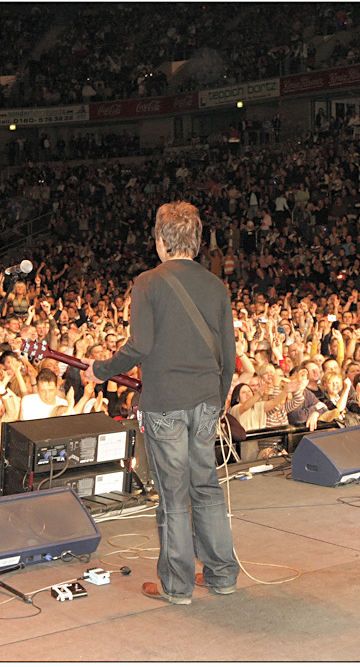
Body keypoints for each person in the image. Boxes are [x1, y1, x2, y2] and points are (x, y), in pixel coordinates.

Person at [84, 200, 239, 605]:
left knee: (174, 496)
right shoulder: (216, 284)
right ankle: (222, 574)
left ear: (160, 241)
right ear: (198, 240)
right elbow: (227, 353)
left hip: (166, 403)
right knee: (206, 488)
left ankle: (177, 585)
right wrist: (217, 400)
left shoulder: (147, 282)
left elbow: (141, 345)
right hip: (206, 400)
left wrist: (101, 369)